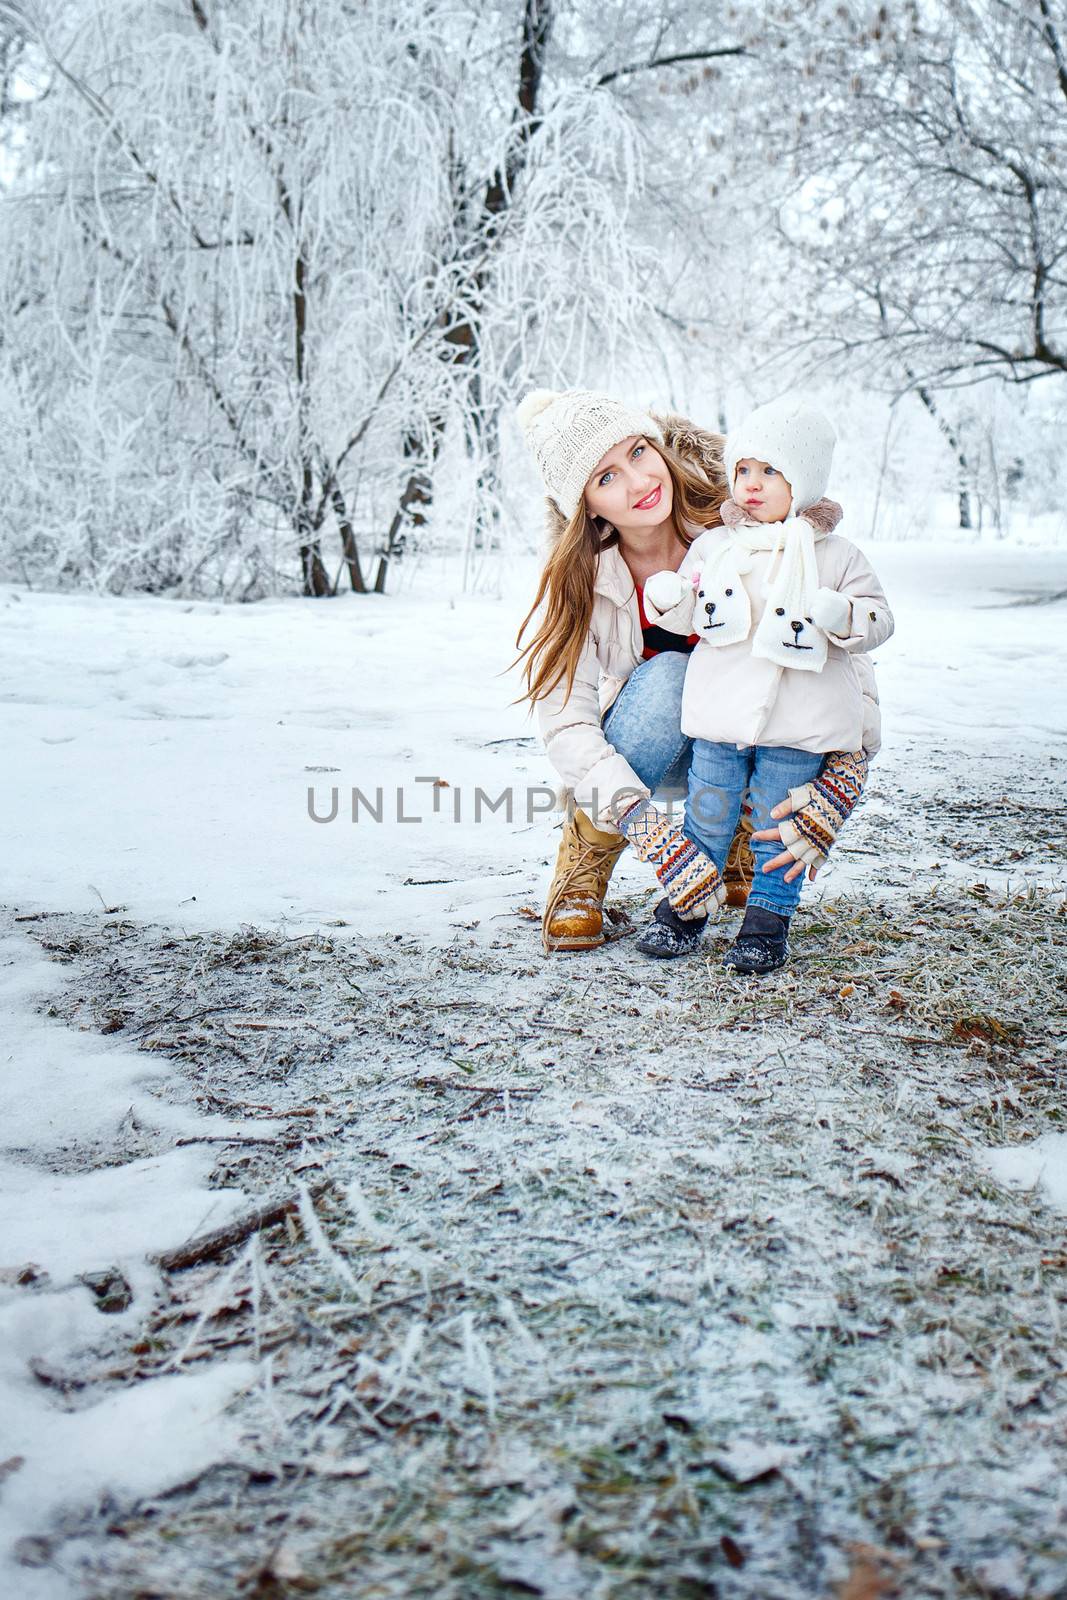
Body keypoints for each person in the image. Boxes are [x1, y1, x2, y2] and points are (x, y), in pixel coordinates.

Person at [512, 387, 882, 959]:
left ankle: (740, 835)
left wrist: (846, 773)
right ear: (584, 504)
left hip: (758, 739)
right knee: (670, 677)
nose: (637, 482)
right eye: (605, 478)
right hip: (652, 743)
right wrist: (640, 821)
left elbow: (836, 648)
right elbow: (566, 719)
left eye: (638, 452)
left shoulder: (742, 519)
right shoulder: (582, 577)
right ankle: (583, 868)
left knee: (760, 687)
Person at [643, 394, 893, 974]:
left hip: (797, 726)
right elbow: (688, 614)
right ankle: (687, 907)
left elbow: (879, 619)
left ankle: (767, 921)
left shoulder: (834, 556)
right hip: (720, 718)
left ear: (801, 481)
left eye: (770, 471)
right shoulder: (715, 548)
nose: (751, 484)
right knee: (707, 816)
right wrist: (670, 599)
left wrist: (844, 616)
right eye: (743, 470)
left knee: (778, 827)